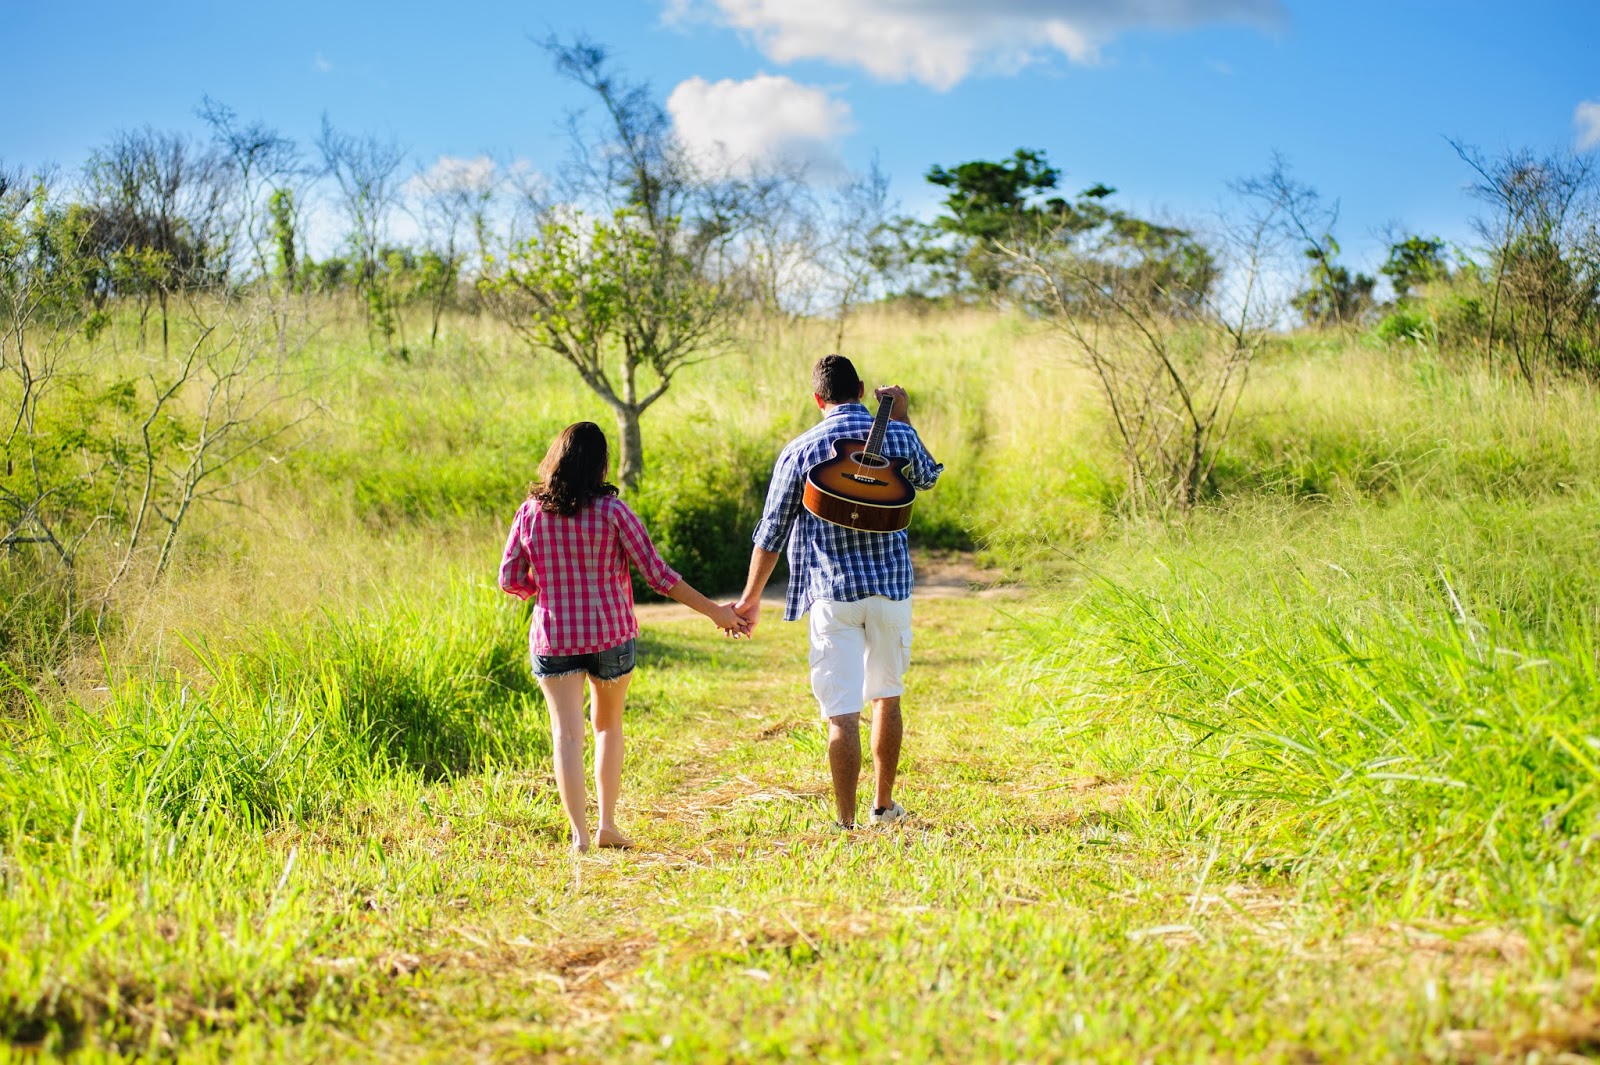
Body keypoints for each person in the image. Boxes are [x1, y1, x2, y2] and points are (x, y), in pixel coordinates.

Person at [499, 421, 746, 853]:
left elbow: (509, 578)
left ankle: (578, 837)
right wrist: (716, 613)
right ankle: (607, 826)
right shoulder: (614, 513)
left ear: (555, 459)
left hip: (554, 636)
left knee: (566, 736)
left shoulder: (530, 512)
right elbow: (659, 576)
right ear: (600, 464)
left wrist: (546, 590)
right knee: (608, 727)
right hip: (609, 634)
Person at [733, 355, 944, 829]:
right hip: (891, 589)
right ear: (863, 388)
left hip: (833, 594)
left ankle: (845, 822)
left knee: (841, 714)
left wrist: (749, 599)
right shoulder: (898, 434)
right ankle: (883, 807)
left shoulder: (802, 448)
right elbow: (928, 477)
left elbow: (772, 530)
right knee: (887, 697)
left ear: (817, 398)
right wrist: (904, 417)